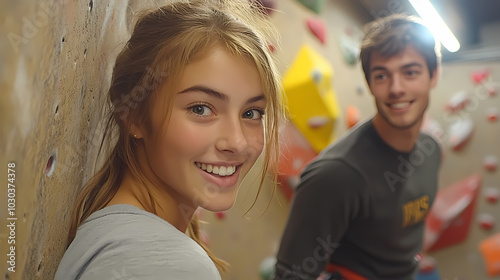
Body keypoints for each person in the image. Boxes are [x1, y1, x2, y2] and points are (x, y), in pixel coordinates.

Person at [54, 1, 284, 279]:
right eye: (200, 109)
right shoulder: (172, 266)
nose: (237, 142)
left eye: (251, 112)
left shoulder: (116, 235)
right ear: (135, 114)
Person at [274, 14, 442, 280]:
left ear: (434, 75)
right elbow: (291, 275)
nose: (396, 88)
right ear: (370, 84)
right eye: (382, 75)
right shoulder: (337, 174)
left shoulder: (431, 150)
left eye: (410, 72)